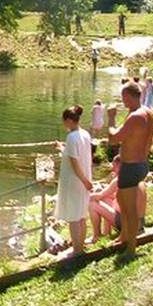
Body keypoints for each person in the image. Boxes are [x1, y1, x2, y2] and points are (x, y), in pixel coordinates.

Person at [107, 82, 153, 255]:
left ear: (128, 96)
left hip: (131, 166)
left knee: (130, 210)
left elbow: (114, 138)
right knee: (121, 198)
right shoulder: (148, 113)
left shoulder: (135, 117)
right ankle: (124, 236)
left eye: (123, 97)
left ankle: (131, 249)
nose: (122, 101)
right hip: (141, 163)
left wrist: (111, 117)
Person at [55, 105, 93, 256]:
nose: (64, 124)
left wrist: (84, 181)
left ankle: (76, 251)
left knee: (73, 217)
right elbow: (76, 155)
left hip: (74, 181)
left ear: (70, 120)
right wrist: (61, 148)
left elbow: (75, 163)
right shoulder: (85, 134)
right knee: (81, 214)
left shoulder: (71, 137)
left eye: (65, 121)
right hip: (83, 180)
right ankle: (80, 246)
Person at [88, 156, 146, 243]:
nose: (112, 169)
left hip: (128, 224)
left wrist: (85, 195)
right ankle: (106, 233)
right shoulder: (137, 179)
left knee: (92, 204)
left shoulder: (120, 180)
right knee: (106, 198)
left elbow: (99, 196)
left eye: (114, 166)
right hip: (140, 223)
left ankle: (96, 236)